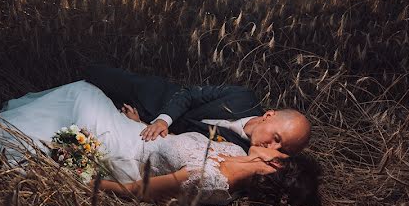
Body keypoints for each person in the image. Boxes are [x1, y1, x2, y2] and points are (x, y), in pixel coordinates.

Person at [0, 80, 320, 206]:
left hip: (125, 153)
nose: (274, 147)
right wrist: (145, 124)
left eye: (281, 151)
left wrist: (81, 183)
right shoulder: (237, 151)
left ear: (272, 167)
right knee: (84, 93)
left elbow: (136, 190)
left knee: (80, 95)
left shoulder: (212, 181)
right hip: (136, 133)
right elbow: (183, 142)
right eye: (280, 144)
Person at [84, 64, 311, 155]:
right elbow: (189, 93)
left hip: (143, 132)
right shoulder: (243, 97)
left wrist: (141, 124)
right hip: (156, 98)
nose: (272, 146)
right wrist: (163, 120)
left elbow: (185, 144)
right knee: (94, 76)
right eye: (277, 137)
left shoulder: (241, 152)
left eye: (282, 149)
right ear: (268, 115)